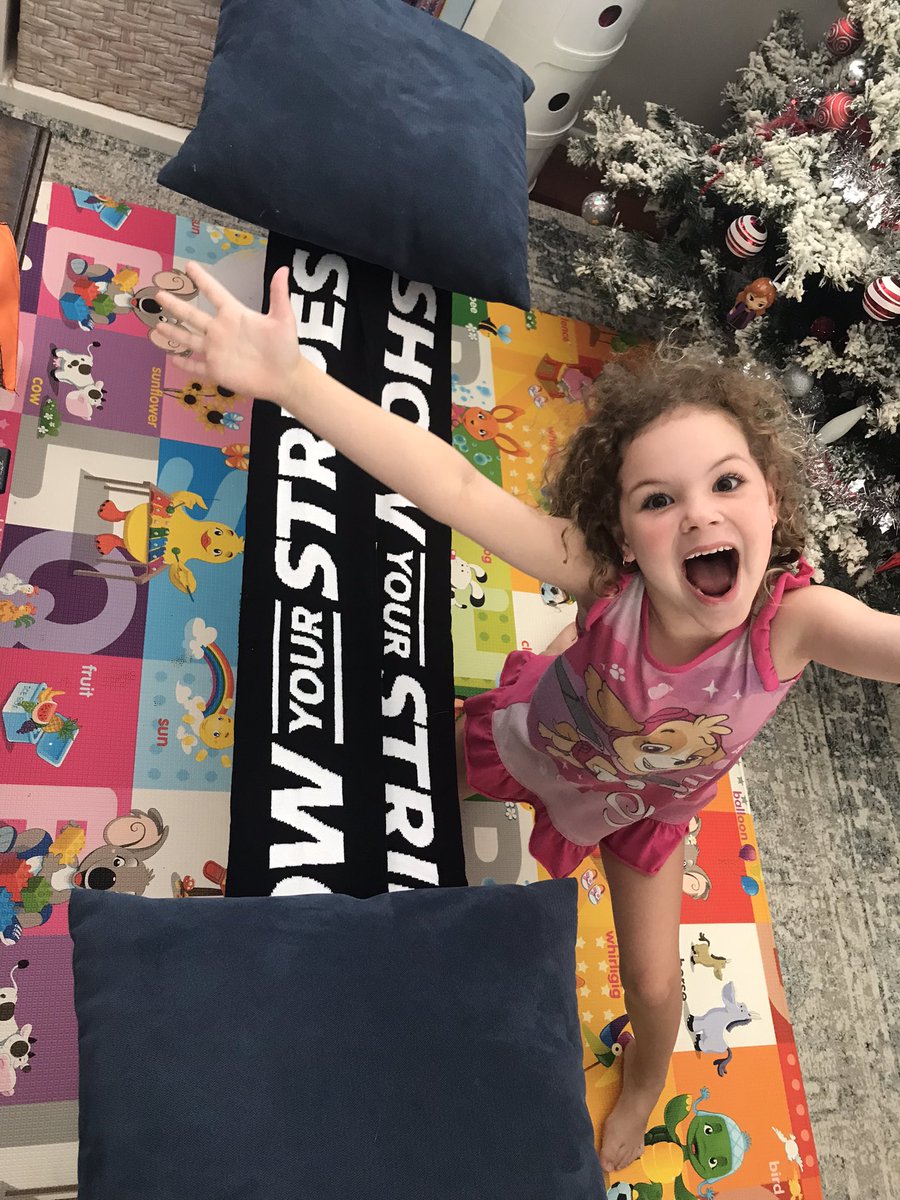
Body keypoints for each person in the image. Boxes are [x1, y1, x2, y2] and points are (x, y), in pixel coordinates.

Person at [156, 262, 900, 1175]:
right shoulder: (609, 576)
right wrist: (297, 379)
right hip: (531, 742)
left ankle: (643, 1079)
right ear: (624, 536)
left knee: (657, 987)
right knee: (396, 786)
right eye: (659, 500)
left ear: (773, 503)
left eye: (728, 483)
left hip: (642, 818)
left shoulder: (794, 625)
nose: (699, 513)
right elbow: (457, 491)